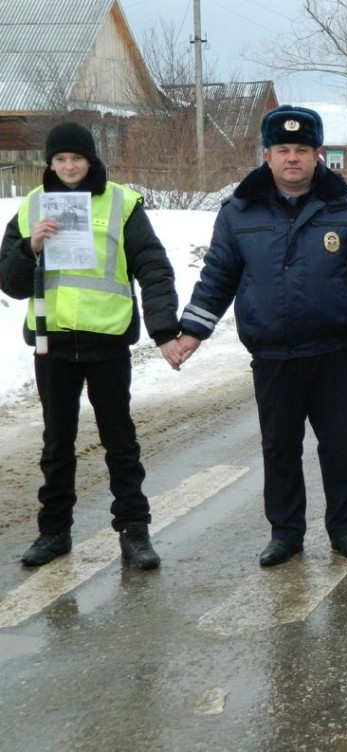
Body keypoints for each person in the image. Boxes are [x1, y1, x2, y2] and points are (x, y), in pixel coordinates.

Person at [177, 105, 347, 567]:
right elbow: (218, 276)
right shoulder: (240, 211)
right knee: (279, 447)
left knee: (338, 445)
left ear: (318, 154)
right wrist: (192, 331)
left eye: (302, 149)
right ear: (267, 155)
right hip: (273, 353)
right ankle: (285, 533)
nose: (292, 158)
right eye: (283, 150)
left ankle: (345, 530)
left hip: (331, 350)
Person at [0, 121, 181, 569]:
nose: (68, 167)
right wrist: (30, 248)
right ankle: (54, 532)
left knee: (120, 441)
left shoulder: (122, 203)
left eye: (76, 159)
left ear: (91, 160)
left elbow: (153, 268)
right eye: (60, 159)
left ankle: (134, 531)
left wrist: (164, 330)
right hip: (52, 343)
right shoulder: (32, 207)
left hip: (107, 341)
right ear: (50, 163)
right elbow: (10, 282)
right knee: (56, 443)